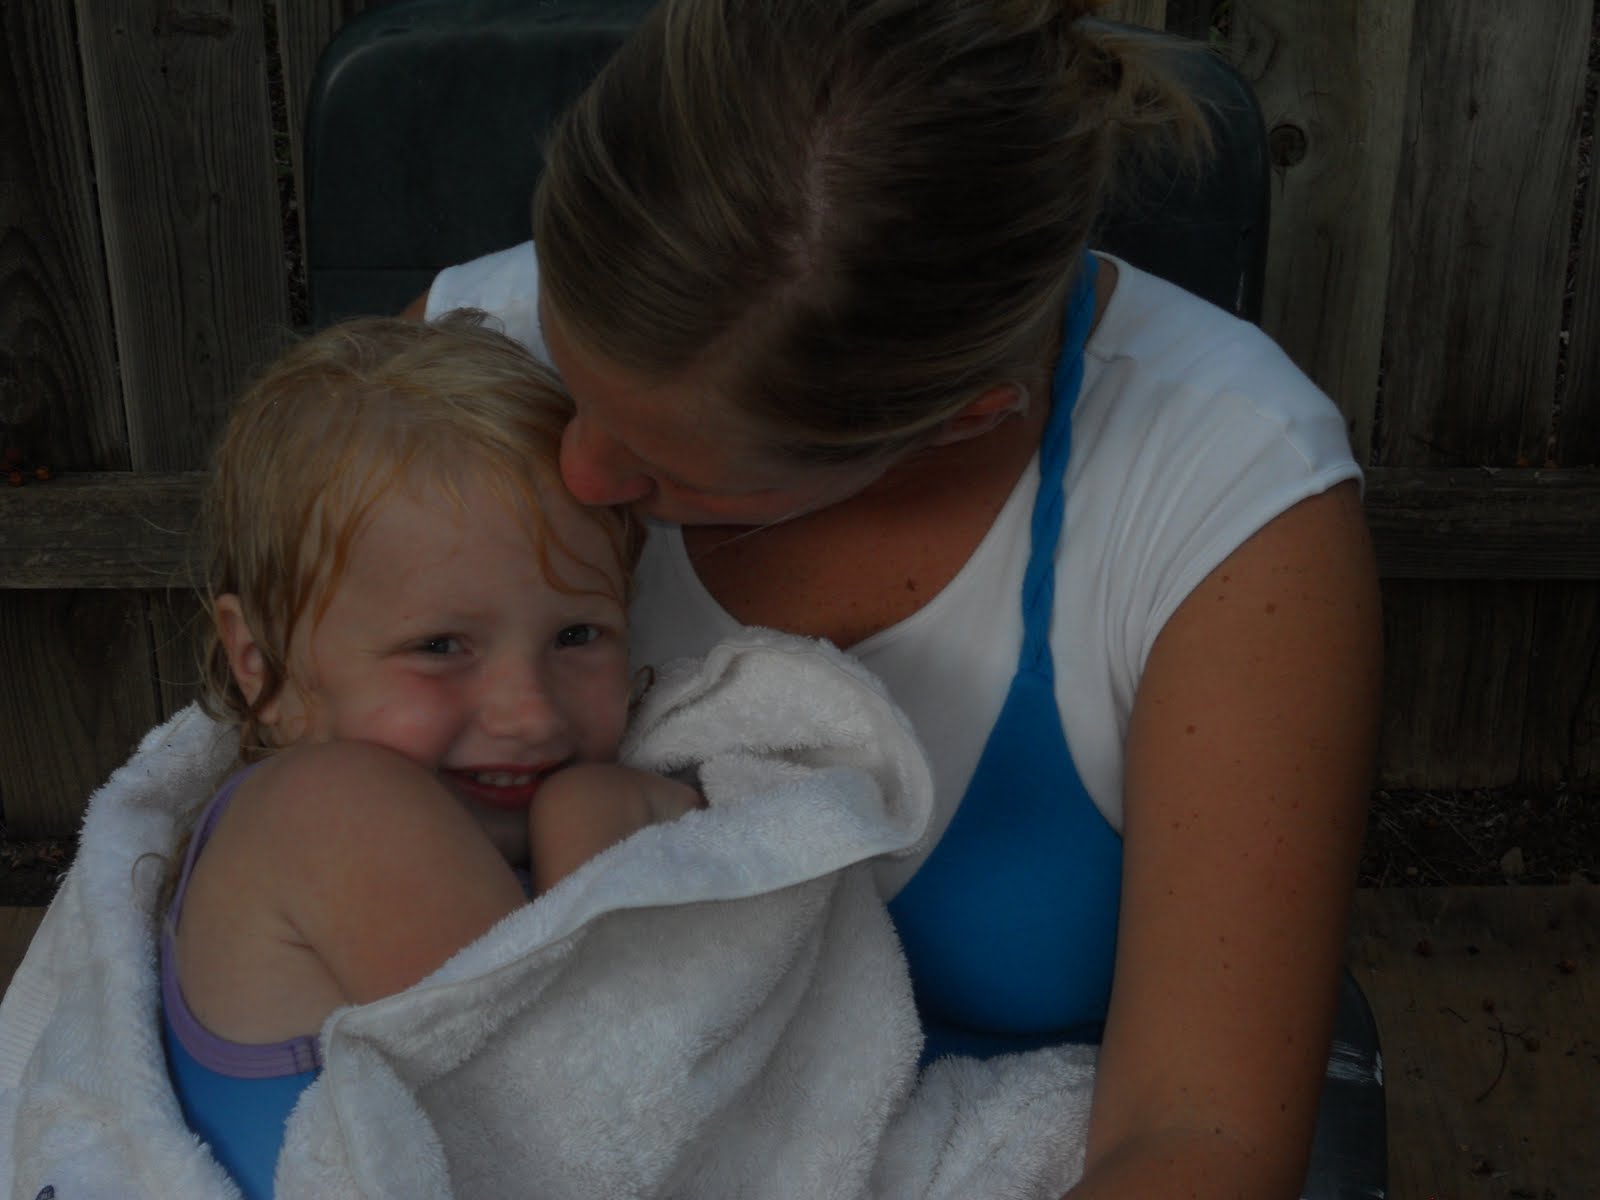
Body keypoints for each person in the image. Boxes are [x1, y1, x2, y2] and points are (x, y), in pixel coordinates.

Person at [410, 1, 1385, 1196]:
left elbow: (1200, 1137)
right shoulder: (462, 365)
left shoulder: (1224, 503)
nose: (575, 473)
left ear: (963, 420)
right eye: (570, 373)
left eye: (675, 471)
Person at [160, 314, 702, 1199]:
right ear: (262, 664)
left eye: (577, 634)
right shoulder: (330, 807)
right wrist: (597, 822)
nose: (530, 715)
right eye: (441, 647)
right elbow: (570, 1113)